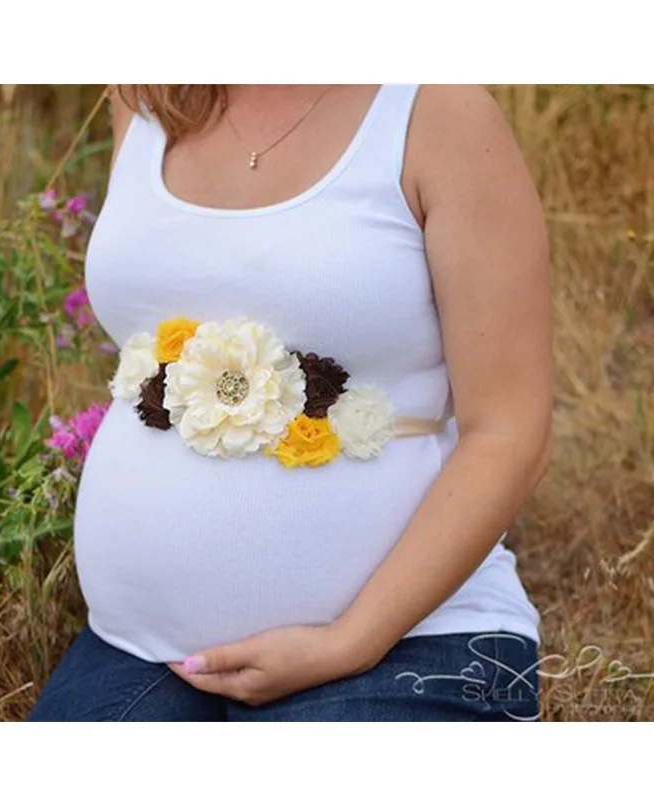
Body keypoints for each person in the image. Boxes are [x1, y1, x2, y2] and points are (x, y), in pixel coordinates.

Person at [28, 84, 553, 722]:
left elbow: (508, 431)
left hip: (405, 645)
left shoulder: (438, 112)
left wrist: (349, 642)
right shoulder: (150, 93)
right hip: (139, 650)